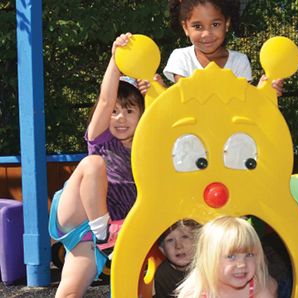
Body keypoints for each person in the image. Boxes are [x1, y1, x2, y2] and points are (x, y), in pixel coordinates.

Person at [48, 32, 144, 298]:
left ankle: (104, 237)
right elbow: (105, 98)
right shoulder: (101, 139)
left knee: (68, 293)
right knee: (92, 164)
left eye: (129, 110)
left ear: (142, 114)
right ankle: (103, 233)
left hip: (110, 229)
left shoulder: (148, 148)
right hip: (80, 215)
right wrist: (115, 59)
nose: (120, 117)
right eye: (114, 111)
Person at [161, 0, 283, 96]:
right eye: (197, 26)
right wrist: (159, 91)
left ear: (227, 24)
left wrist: (263, 91)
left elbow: (244, 103)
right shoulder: (181, 58)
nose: (207, 34)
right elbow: (182, 99)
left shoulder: (239, 61)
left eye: (215, 25)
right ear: (186, 28)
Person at [176, 216, 277, 298]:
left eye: (249, 255)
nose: (242, 264)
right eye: (231, 256)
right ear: (209, 259)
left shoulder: (259, 288)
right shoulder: (195, 293)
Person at [153, 219, 200, 298]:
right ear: (162, 250)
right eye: (170, 240)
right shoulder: (162, 274)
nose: (178, 246)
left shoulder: (206, 266)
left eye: (185, 237)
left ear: (197, 242)